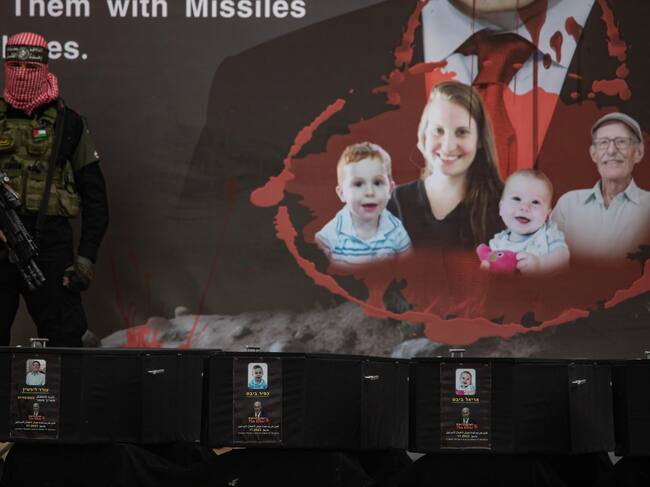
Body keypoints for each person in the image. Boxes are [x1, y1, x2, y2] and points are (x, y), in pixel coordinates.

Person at [0, 32, 109, 347]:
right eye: (14, 65)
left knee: (64, 339)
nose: (22, 73)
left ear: (45, 68)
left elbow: (95, 198)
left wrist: (86, 258)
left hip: (48, 246)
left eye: (31, 67)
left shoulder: (68, 124)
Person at [388, 81, 503, 250]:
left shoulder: (508, 206)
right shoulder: (394, 202)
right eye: (438, 130)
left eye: (462, 132)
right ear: (424, 135)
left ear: (479, 140)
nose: (448, 146)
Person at [552, 113, 649, 263]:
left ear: (638, 152)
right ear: (593, 154)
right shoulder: (568, 204)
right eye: (603, 142)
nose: (611, 150)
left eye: (621, 142)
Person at [315, 142, 411, 264]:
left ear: (390, 190)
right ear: (342, 194)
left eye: (377, 183)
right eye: (358, 184)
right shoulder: (330, 236)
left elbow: (409, 267)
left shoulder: (396, 231)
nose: (370, 192)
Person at [485, 169, 569, 274]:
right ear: (501, 208)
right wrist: (487, 265)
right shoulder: (498, 242)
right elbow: (491, 259)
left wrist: (540, 264)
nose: (524, 207)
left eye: (535, 202)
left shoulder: (548, 234)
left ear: (547, 215)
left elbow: (563, 257)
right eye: (517, 199)